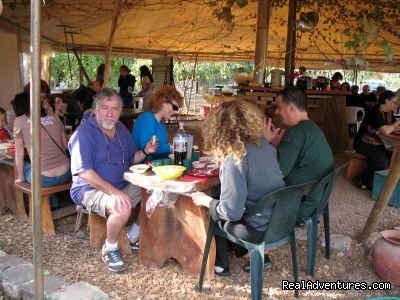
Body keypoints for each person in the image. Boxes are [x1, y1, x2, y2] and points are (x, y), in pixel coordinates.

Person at [191, 99, 285, 276]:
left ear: (218, 129)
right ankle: (254, 255)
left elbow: (231, 212)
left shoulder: (235, 158)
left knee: (214, 210)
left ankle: (221, 265)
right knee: (221, 199)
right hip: (280, 220)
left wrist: (206, 201)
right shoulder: (265, 145)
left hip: (259, 230)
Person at [68, 88, 158, 272]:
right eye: (104, 108)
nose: (110, 113)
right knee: (121, 206)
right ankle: (109, 248)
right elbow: (84, 173)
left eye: (115, 109)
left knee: (155, 192)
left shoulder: (121, 130)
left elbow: (131, 158)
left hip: (120, 184)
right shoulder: (83, 133)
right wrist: (114, 192)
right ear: (95, 110)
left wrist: (146, 151)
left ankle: (133, 235)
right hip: (88, 189)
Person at [263, 86, 334, 217]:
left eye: (279, 107)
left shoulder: (296, 132)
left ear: (291, 108)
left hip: (303, 204)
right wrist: (277, 144)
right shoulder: (311, 128)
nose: (277, 112)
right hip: (317, 199)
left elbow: (277, 172)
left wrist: (266, 143)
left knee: (255, 186)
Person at [13, 87, 71, 188]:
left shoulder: (19, 121)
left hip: (44, 178)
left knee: (23, 165)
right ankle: (53, 202)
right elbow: (66, 146)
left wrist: (21, 178)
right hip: (66, 173)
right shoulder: (55, 119)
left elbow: (19, 153)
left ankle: (46, 201)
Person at [353, 90, 399, 190]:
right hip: (362, 142)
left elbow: (394, 127)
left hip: (378, 143)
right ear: (386, 101)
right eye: (394, 102)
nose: (395, 105)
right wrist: (395, 124)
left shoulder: (388, 113)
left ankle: (377, 181)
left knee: (394, 156)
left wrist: (394, 125)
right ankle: (362, 179)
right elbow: (386, 130)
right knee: (382, 160)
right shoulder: (375, 111)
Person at [132, 85, 183, 160]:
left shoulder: (161, 124)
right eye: (174, 107)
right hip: (141, 166)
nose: (175, 111)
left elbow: (161, 148)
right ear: (163, 101)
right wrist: (172, 147)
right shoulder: (147, 118)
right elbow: (150, 148)